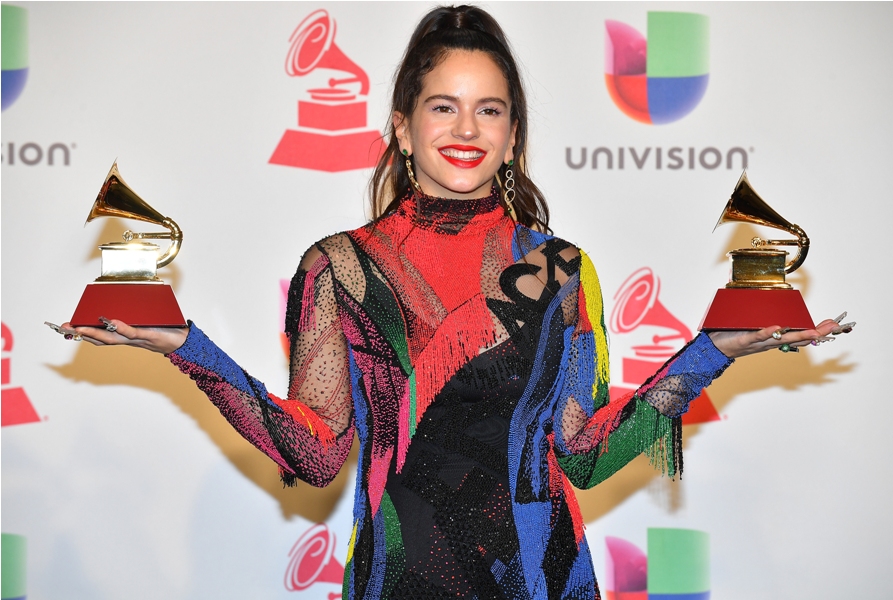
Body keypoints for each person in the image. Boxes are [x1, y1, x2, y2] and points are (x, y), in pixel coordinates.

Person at [57, 6, 851, 599]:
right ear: (401, 127)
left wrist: (714, 350)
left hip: (542, 582)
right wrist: (186, 349)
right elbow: (318, 451)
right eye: (443, 105)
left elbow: (583, 452)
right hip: (398, 583)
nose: (466, 128)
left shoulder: (562, 271)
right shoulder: (341, 268)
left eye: (490, 109)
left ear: (513, 137)